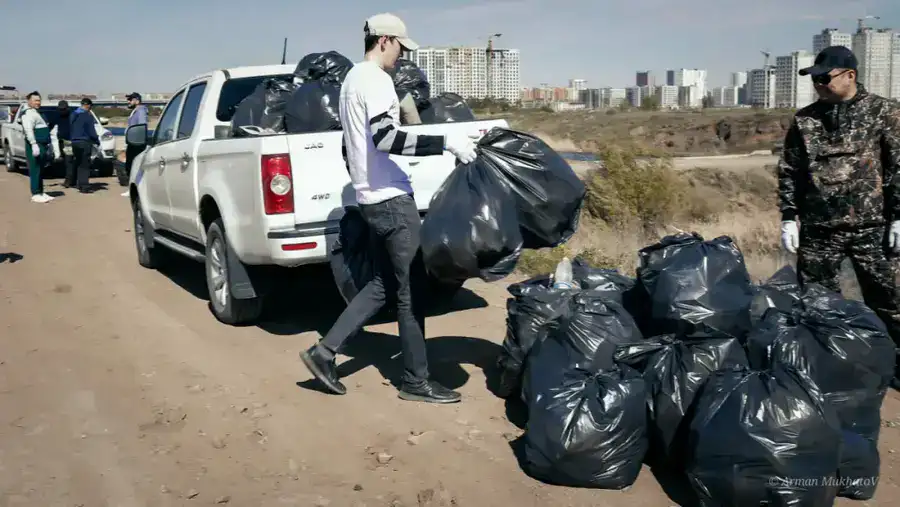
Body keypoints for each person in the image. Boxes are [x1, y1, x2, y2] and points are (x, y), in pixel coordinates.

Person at [300, 12, 478, 404]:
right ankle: (416, 381)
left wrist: (365, 181)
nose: (401, 55)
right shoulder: (377, 81)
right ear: (383, 41)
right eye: (399, 46)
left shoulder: (349, 82)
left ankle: (323, 352)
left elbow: (352, 146)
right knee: (411, 291)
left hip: (370, 200)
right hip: (392, 202)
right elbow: (386, 138)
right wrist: (445, 143)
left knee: (382, 285)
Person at [778, 45, 900, 388]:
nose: (818, 84)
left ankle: (894, 367)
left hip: (872, 229)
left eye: (825, 78)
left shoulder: (884, 112)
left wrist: (899, 216)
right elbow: (791, 170)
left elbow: (899, 167)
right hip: (820, 231)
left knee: (889, 302)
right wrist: (789, 216)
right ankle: (829, 368)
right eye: (814, 79)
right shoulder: (805, 120)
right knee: (818, 304)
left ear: (850, 75)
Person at [18, 91, 60, 203]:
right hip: (35, 144)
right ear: (29, 101)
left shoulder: (37, 112)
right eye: (35, 100)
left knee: (41, 169)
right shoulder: (28, 114)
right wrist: (33, 144)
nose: (38, 102)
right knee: (35, 169)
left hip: (43, 144)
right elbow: (28, 130)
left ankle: (41, 192)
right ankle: (35, 193)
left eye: (39, 100)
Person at [69, 97, 100, 193]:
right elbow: (91, 131)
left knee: (78, 163)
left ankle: (77, 183)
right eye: (90, 107)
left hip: (74, 142)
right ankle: (84, 186)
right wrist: (96, 140)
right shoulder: (87, 116)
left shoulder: (73, 114)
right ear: (88, 105)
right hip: (84, 142)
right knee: (84, 165)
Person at [121, 92, 149, 195]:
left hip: (137, 143)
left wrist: (137, 140)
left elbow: (141, 127)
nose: (128, 102)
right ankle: (132, 189)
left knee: (134, 167)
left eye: (130, 99)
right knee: (130, 166)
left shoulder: (141, 111)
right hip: (132, 142)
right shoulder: (135, 111)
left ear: (137, 100)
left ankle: (134, 190)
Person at [49, 101, 75, 188]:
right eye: (61, 109)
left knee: (69, 161)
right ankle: (70, 179)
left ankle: (69, 180)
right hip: (62, 141)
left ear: (67, 108)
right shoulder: (57, 116)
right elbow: (50, 126)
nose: (62, 111)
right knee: (67, 161)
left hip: (70, 141)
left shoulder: (73, 116)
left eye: (63, 109)